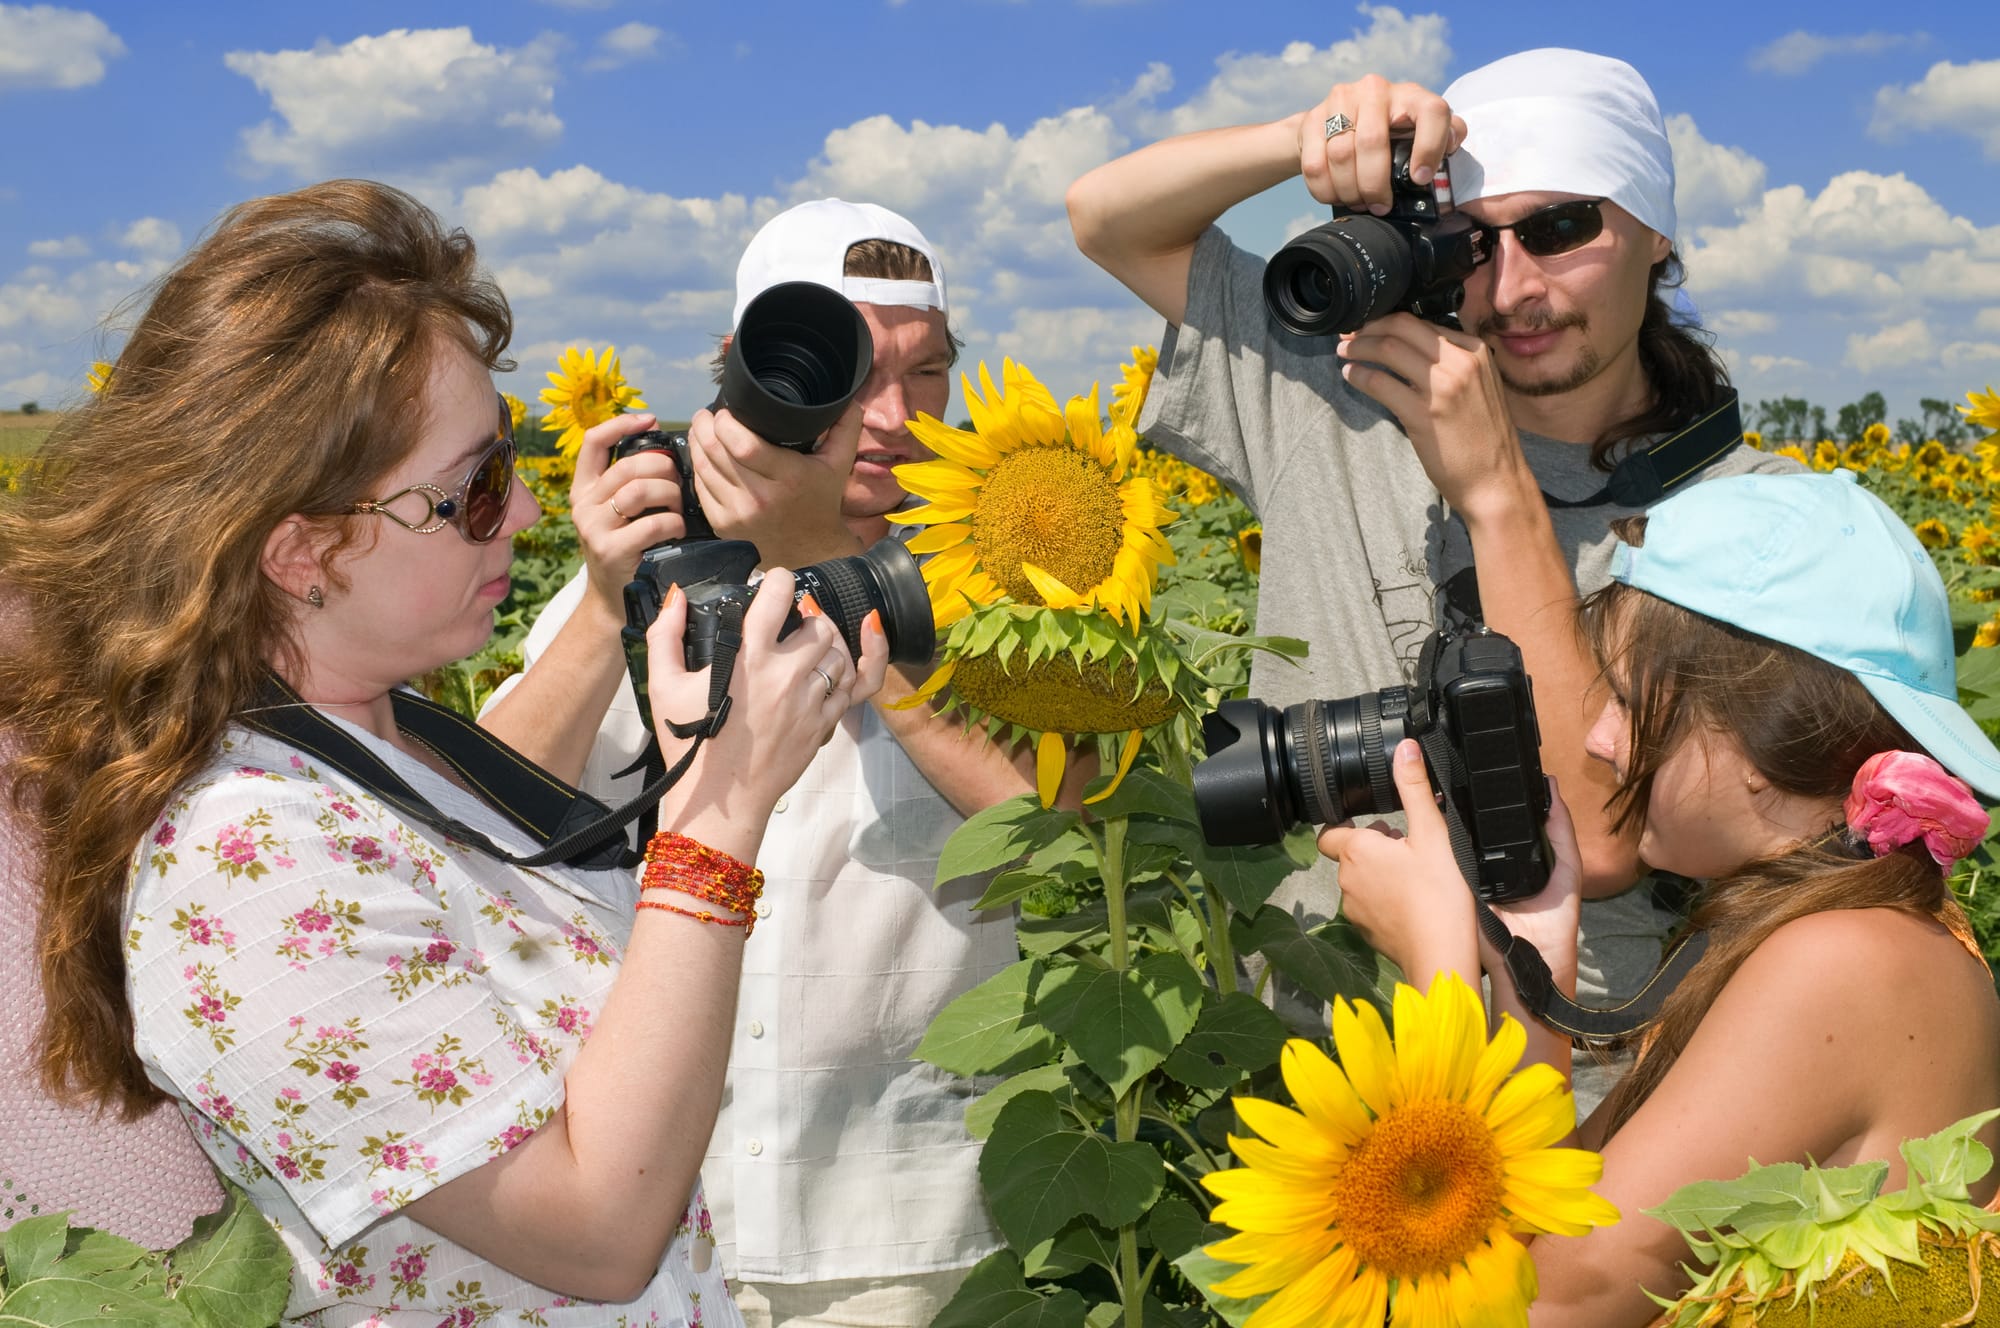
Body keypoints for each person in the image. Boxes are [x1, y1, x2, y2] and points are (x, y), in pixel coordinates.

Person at [0, 179, 885, 1326]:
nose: (522, 517)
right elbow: (596, 1231)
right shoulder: (247, 855)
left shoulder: (383, 735)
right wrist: (717, 809)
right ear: (300, 549)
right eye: (473, 488)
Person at [1066, 48, 1798, 1107]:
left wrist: (1495, 486)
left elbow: (1595, 836)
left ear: (1655, 231)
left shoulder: (1753, 516)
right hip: (1312, 1071)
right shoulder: (1337, 390)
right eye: (1472, 241)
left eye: (1561, 227)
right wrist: (1311, 139)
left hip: (1589, 1096)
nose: (1515, 288)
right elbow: (1106, 217)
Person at [482, 199, 1059, 1327]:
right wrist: (608, 599)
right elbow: (482, 818)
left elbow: (1070, 840)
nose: (888, 418)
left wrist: (836, 573)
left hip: (907, 1226)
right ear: (745, 384)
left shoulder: (1024, 580)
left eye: (927, 372)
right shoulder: (649, 579)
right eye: (846, 370)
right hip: (654, 1222)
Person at [1324, 469, 2000, 1325]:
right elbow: (1549, 1217)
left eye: (1630, 700)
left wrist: (1439, 968)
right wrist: (1537, 951)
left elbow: (1525, 1310)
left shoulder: (1844, 964)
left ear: (1759, 737)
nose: (1601, 742)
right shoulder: (1843, 931)